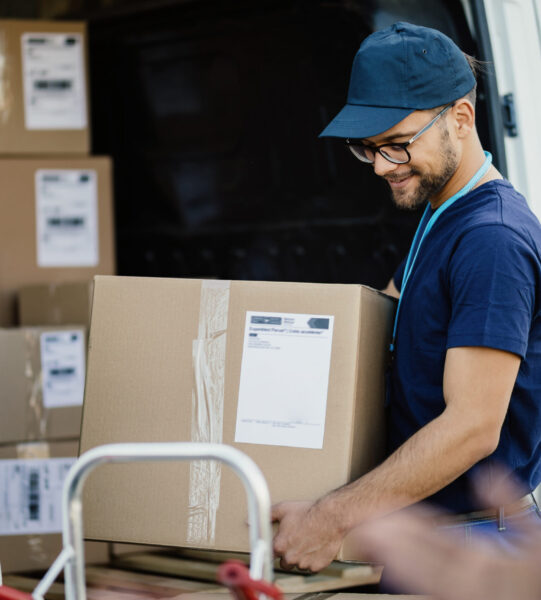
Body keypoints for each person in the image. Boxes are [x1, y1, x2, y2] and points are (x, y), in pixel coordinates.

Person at [271, 21, 541, 574]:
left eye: (396, 145)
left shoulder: (491, 239)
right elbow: (374, 318)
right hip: (428, 540)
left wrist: (331, 516)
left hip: (474, 549)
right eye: (367, 149)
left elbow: (471, 426)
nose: (381, 167)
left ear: (461, 118)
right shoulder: (442, 218)